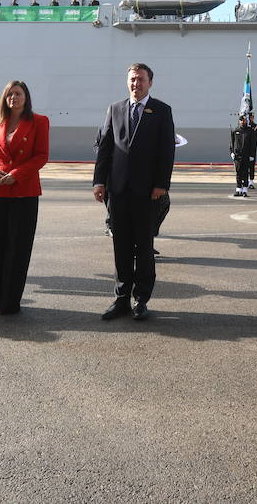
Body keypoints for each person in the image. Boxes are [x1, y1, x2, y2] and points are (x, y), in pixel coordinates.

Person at [93, 64, 176, 321]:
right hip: (118, 192)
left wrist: (161, 185)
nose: (135, 84)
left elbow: (166, 152)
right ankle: (121, 299)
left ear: (150, 82)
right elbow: (105, 147)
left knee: (144, 247)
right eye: (132, 79)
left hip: (147, 192)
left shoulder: (162, 111)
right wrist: (99, 181)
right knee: (121, 247)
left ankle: (141, 299)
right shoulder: (115, 109)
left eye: (140, 79)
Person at [0, 80, 49, 314]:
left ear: (26, 98)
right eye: (10, 94)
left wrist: (16, 175)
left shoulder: (39, 122)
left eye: (18, 94)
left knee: (17, 247)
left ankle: (9, 302)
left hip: (23, 191)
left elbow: (41, 156)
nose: (14, 98)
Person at [230, 114, 257, 197]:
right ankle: (238, 189)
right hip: (237, 156)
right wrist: (231, 152)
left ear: (246, 121)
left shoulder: (250, 131)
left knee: (245, 173)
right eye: (241, 120)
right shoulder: (235, 131)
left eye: (244, 120)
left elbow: (253, 144)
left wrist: (252, 155)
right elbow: (232, 143)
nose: (243, 122)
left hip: (246, 155)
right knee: (238, 173)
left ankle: (245, 190)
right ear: (239, 121)